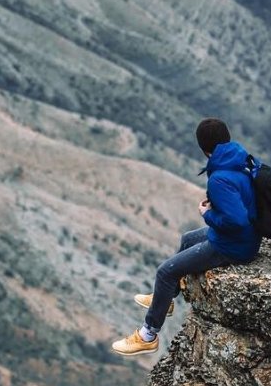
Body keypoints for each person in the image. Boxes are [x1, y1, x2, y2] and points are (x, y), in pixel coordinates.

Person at [112, 118, 261, 356]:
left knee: (165, 271)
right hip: (248, 237)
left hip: (233, 246)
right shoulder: (241, 159)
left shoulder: (219, 177)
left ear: (203, 148)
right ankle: (166, 299)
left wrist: (208, 214)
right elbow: (244, 198)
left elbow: (237, 221)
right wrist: (220, 204)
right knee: (188, 238)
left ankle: (147, 335)